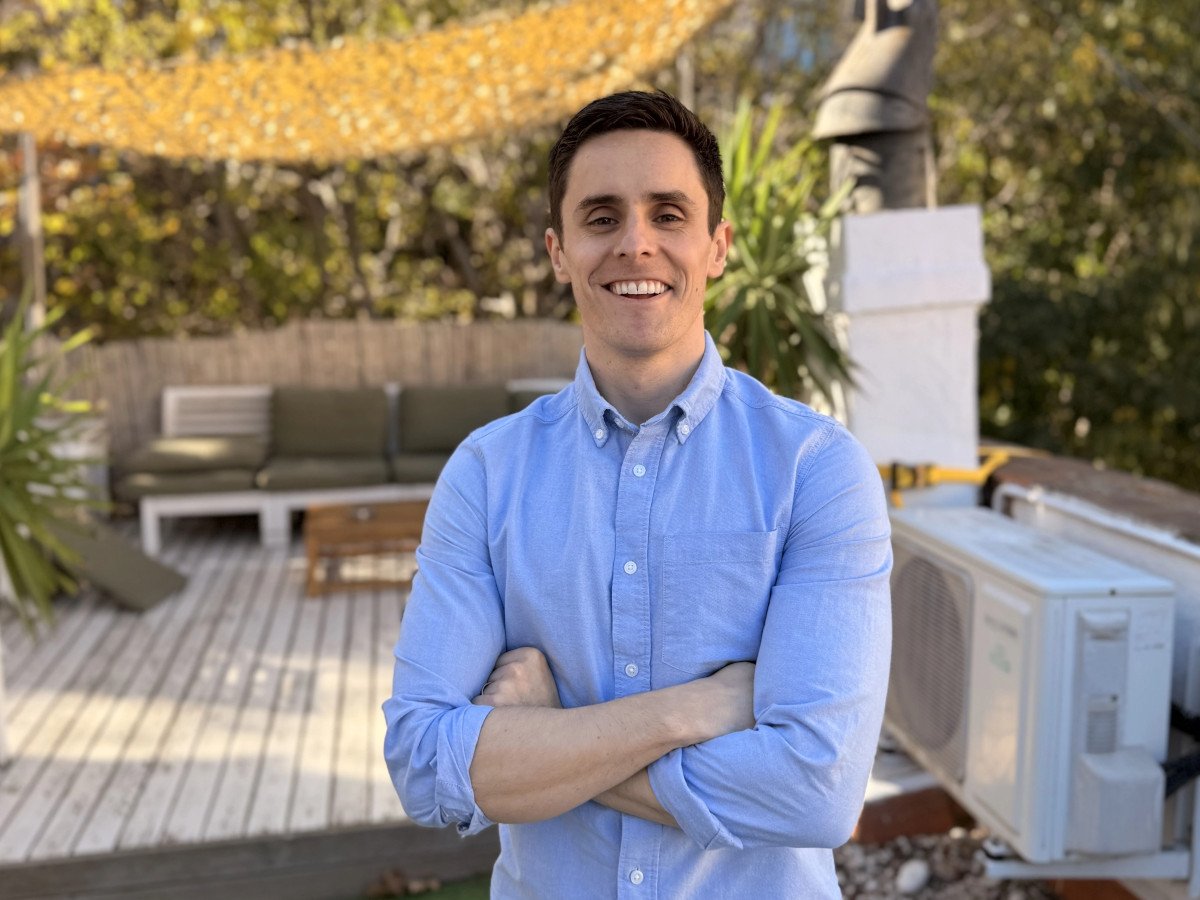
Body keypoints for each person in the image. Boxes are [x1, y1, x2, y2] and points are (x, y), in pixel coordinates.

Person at [383, 90, 892, 898]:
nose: (636, 244)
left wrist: (543, 739)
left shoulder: (815, 472)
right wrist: (690, 711)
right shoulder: (486, 474)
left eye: (667, 214)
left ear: (717, 245)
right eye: (601, 217)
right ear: (559, 252)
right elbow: (423, 763)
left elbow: (817, 789)